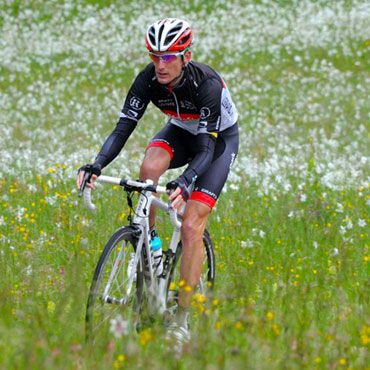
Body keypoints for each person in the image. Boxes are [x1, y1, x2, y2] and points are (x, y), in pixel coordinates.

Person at [77, 18, 239, 347]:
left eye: (168, 57)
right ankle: (148, 245)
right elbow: (123, 127)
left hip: (217, 143)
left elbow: (206, 148)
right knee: (148, 167)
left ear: (186, 56)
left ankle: (181, 320)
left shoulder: (206, 84)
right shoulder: (148, 79)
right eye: (154, 56)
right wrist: (96, 164)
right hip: (180, 131)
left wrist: (186, 180)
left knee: (192, 225)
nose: (160, 65)